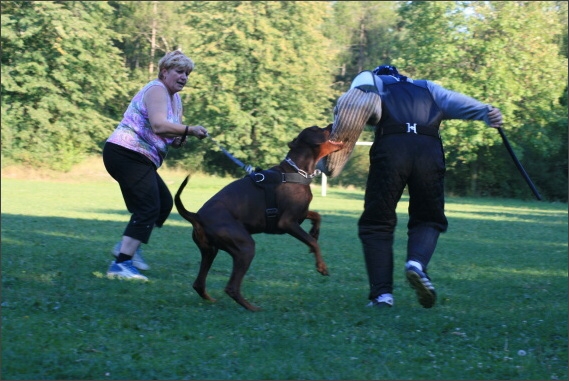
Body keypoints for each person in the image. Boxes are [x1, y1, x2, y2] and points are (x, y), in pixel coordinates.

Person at [358, 65, 503, 308]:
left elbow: (349, 112)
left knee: (377, 223)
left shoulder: (374, 85)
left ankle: (383, 296)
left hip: (391, 149)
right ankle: (416, 263)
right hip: (428, 150)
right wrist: (487, 112)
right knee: (429, 218)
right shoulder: (426, 87)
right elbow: (458, 102)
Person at [103, 50, 208, 280]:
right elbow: (160, 126)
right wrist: (190, 129)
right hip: (125, 152)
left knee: (163, 204)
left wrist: (181, 138)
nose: (184, 77)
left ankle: (129, 244)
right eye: (179, 71)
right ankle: (120, 265)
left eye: (187, 73)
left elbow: (171, 135)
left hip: (142, 158)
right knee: (148, 206)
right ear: (164, 71)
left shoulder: (175, 99)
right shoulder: (156, 89)